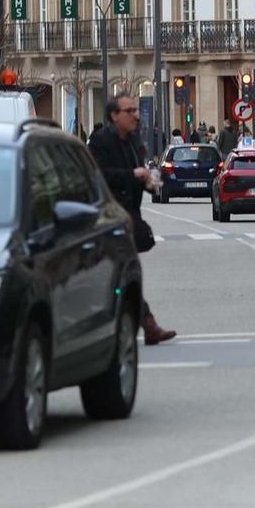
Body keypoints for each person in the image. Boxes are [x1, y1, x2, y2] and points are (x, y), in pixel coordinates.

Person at [86, 95, 176, 345]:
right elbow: (97, 175)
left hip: (128, 215)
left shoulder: (134, 141)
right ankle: (146, 324)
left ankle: (138, 323)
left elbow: (139, 174)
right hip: (107, 217)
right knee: (125, 270)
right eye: (129, 111)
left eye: (136, 110)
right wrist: (132, 174)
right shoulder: (101, 140)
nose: (136, 115)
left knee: (121, 273)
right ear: (115, 115)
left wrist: (149, 182)